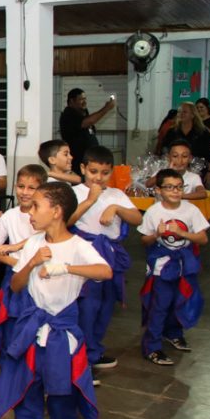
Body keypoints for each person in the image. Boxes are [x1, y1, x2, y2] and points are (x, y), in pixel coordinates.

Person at [0, 182, 111, 419]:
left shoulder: (78, 246)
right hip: (32, 329)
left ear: (56, 212)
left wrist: (67, 268)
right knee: (28, 389)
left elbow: (104, 271)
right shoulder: (33, 243)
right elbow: (17, 285)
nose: (30, 213)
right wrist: (30, 262)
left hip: (62, 332)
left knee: (63, 392)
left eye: (36, 206)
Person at [69, 145, 142, 371]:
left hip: (110, 255)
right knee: (87, 306)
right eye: (93, 172)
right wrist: (91, 200)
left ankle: (94, 350)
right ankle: (81, 356)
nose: (98, 178)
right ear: (82, 169)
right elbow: (68, 220)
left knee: (105, 305)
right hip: (85, 255)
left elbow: (137, 219)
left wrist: (115, 207)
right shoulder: (75, 193)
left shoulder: (116, 194)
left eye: (104, 173)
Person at [139, 169, 209, 366]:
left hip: (184, 265)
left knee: (181, 301)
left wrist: (182, 233)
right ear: (159, 190)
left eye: (179, 187)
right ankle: (152, 346)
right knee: (159, 306)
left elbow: (203, 238)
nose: (175, 191)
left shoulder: (190, 210)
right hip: (162, 268)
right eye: (169, 187)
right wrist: (156, 235)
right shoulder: (154, 212)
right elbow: (144, 240)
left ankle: (173, 333)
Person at [0, 165, 47, 363]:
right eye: (21, 186)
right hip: (15, 277)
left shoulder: (47, 215)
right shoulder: (10, 215)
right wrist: (14, 261)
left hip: (42, 277)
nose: (25, 192)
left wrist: (17, 251)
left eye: (31, 188)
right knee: (11, 322)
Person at [58, 88, 115, 174]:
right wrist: (106, 108)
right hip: (78, 162)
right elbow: (87, 122)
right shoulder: (68, 114)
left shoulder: (83, 112)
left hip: (89, 160)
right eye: (81, 99)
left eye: (85, 99)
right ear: (72, 101)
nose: (84, 102)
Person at [161, 102, 210, 186]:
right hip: (176, 171)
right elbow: (165, 149)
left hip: (199, 173)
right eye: (179, 112)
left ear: (192, 115)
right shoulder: (172, 132)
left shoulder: (202, 133)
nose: (181, 114)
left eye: (184, 112)